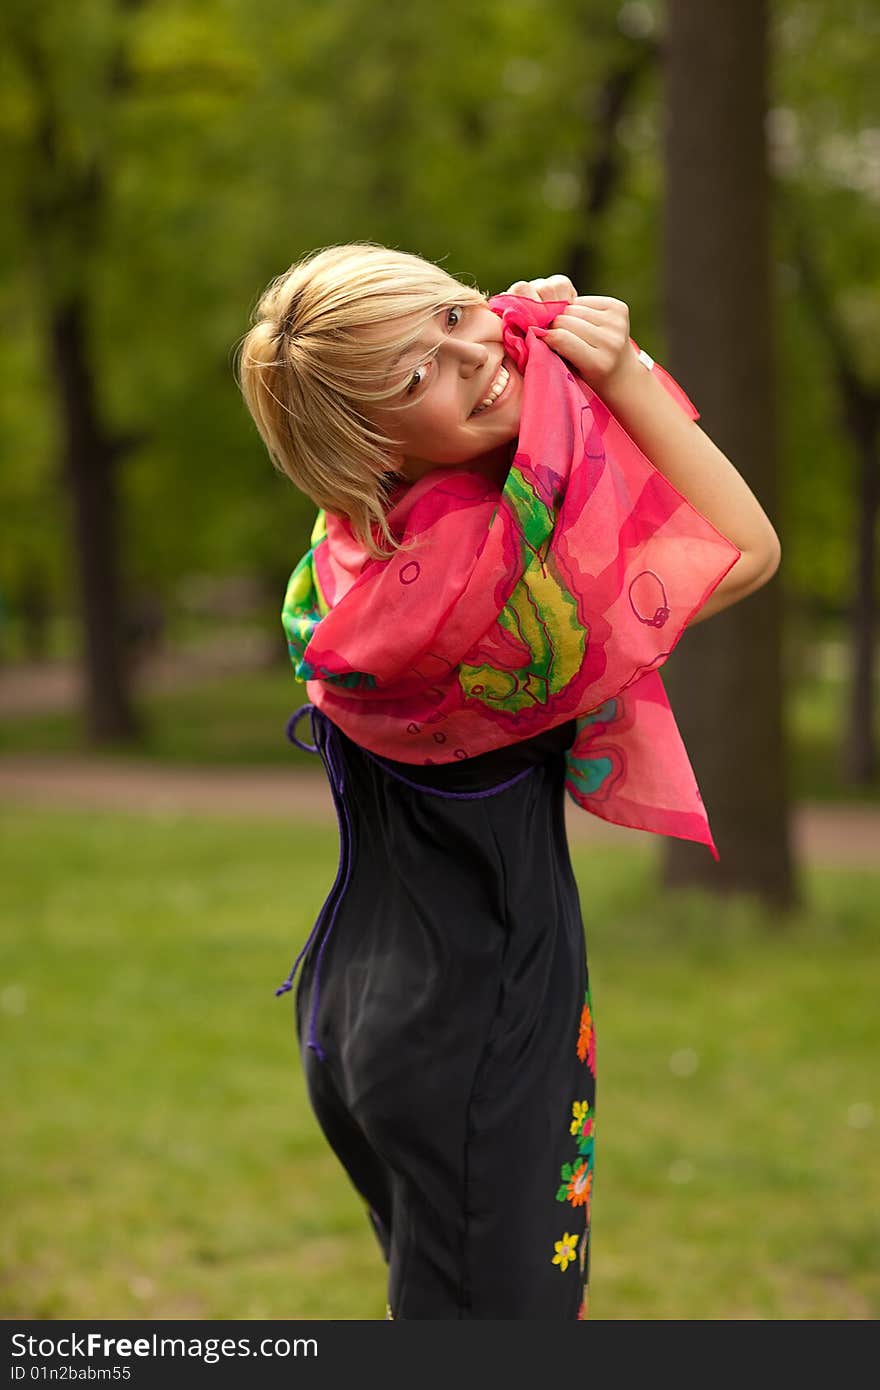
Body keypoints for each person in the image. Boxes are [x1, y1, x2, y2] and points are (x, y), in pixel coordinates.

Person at [235, 243, 781, 1320]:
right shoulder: (501, 608)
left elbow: (529, 456)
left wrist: (517, 361)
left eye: (450, 313)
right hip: (476, 1033)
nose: (475, 351)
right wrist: (619, 373)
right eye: (412, 376)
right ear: (365, 444)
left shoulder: (362, 552)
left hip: (371, 1009)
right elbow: (739, 547)